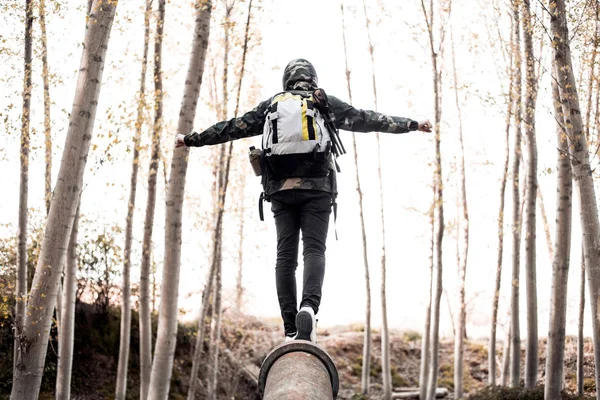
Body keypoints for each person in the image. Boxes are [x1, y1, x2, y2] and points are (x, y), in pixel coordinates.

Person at [175, 58, 432, 343]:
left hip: (280, 191)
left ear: (287, 80)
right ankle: (309, 308)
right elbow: (368, 119)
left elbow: (231, 128)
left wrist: (191, 139)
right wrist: (412, 124)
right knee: (314, 250)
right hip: (318, 188)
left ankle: (289, 328)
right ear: (313, 78)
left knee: (285, 256)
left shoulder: (271, 105)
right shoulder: (323, 101)